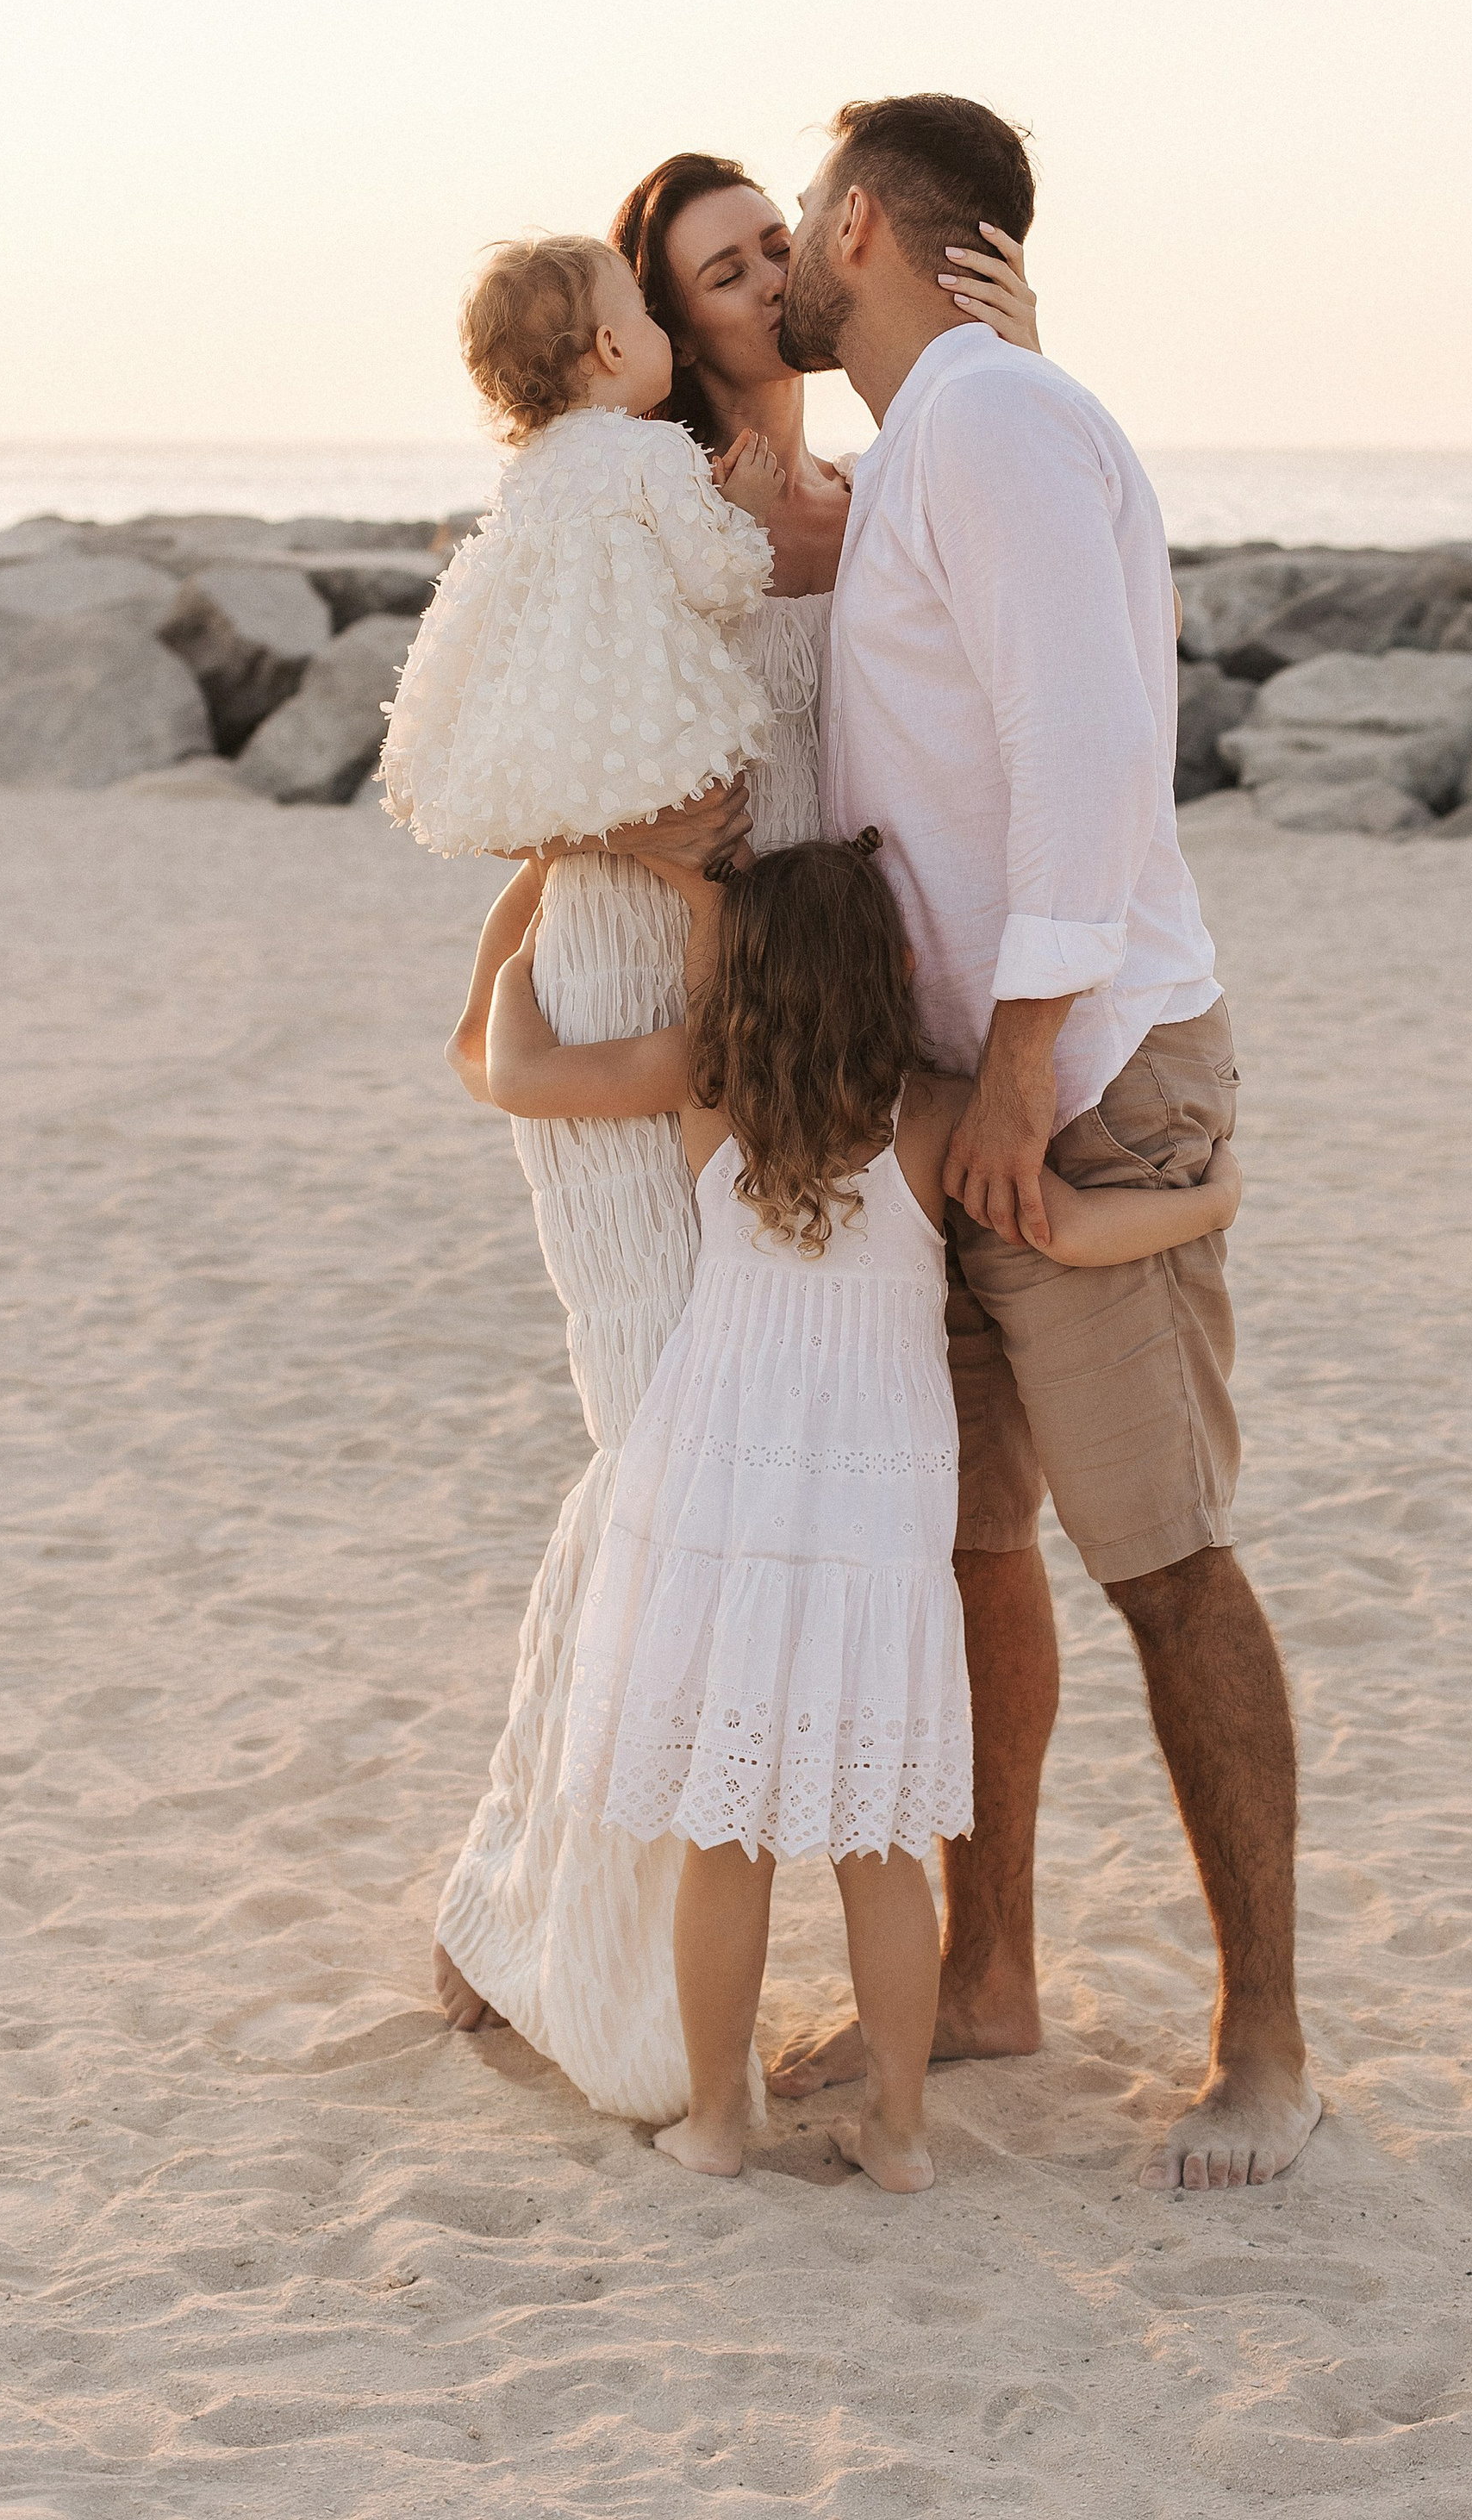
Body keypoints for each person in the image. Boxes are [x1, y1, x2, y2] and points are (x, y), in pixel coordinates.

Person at [418, 172, 1040, 2121]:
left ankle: (541, 1913)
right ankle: (546, 1932)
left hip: (797, 1020)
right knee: (652, 1440)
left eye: (779, 240)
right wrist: (590, 858)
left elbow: (1024, 600)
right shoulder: (636, 511)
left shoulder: (884, 489)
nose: (771, 277)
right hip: (647, 969)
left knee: (717, 1467)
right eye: (720, 268)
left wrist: (1016, 364)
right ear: (664, 333)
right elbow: (522, 741)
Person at [770, 94, 1321, 2193]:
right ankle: (987, 1974)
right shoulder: (953, 430)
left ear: (854, 225)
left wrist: (1011, 1067)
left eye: (801, 233)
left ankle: (1262, 2041)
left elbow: (1083, 752)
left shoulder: (991, 426)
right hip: (958, 1096)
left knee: (1163, 1560)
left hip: (1074, 1076)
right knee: (976, 1544)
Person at [483, 833, 1242, 2190]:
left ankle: (719, 2123)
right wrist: (1213, 1198)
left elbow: (510, 1067)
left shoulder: (709, 1083)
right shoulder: (936, 1115)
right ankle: (897, 2133)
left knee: (727, 1833)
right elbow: (1070, 1229)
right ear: (899, 965)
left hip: (719, 1477)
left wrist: (538, 888)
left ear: (739, 987)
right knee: (881, 1832)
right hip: (878, 1497)